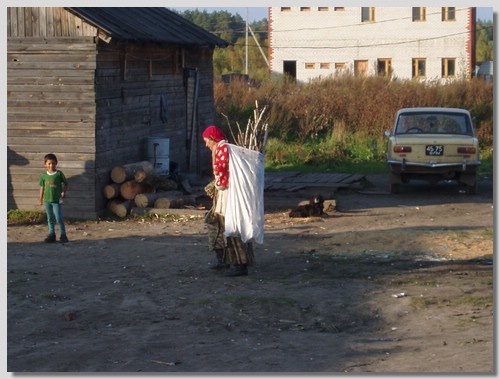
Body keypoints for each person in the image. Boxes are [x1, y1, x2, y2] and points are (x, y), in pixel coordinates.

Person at [202, 125, 254, 277]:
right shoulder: (219, 149)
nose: (206, 145)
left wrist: (217, 185)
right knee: (215, 223)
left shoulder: (222, 149)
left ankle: (239, 263)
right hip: (223, 193)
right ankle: (224, 259)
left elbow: (223, 172)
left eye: (207, 141)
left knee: (231, 226)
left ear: (213, 139)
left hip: (228, 194)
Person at [39, 153, 69, 243]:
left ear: (56, 163)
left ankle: (63, 235)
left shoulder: (59, 174)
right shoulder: (44, 176)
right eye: (49, 163)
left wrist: (63, 192)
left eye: (53, 163)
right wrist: (40, 198)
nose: (51, 165)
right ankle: (52, 234)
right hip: (47, 200)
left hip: (56, 201)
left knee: (59, 218)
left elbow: (66, 184)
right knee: (50, 218)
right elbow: (42, 187)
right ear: (45, 164)